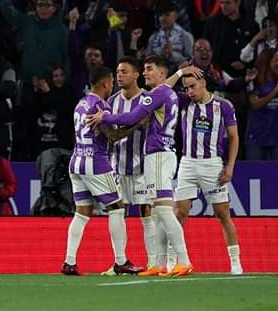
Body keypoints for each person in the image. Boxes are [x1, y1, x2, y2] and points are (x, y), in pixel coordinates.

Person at [88, 57, 204, 277]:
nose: (145, 73)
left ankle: (184, 260)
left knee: (163, 210)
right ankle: (158, 264)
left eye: (149, 69)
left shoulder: (157, 94)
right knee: (159, 212)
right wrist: (180, 73)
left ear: (162, 73)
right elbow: (167, 85)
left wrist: (105, 116)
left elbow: (132, 116)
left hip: (158, 155)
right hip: (154, 156)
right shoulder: (166, 92)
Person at [61, 65, 142, 277]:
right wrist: (138, 123)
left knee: (82, 212)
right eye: (112, 82)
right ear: (105, 83)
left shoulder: (81, 103)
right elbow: (113, 137)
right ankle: (121, 261)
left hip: (76, 161)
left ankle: (69, 262)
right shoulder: (100, 106)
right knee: (117, 208)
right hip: (95, 162)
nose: (113, 85)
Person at [176, 73, 243, 275]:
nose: (190, 91)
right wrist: (181, 72)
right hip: (187, 163)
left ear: (203, 83)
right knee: (179, 213)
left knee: (222, 213)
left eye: (193, 86)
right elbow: (162, 90)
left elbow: (234, 137)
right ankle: (172, 261)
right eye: (186, 88)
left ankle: (235, 263)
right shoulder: (183, 102)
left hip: (212, 164)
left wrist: (230, 166)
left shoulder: (223, 106)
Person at [107, 57, 155, 272]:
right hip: (117, 167)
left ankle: (153, 262)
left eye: (124, 71)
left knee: (147, 213)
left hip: (143, 167)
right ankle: (120, 262)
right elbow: (110, 136)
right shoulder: (112, 102)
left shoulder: (148, 100)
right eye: (118, 72)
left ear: (136, 75)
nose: (119, 75)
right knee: (117, 213)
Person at [247, 48, 278, 160]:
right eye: (276, 60)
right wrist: (275, 90)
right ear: (267, 62)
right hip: (257, 137)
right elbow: (255, 104)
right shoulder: (255, 82)